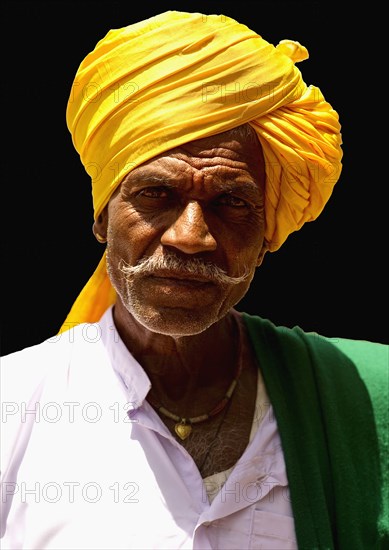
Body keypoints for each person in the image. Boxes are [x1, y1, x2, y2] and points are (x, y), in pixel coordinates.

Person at [0, 9, 387, 550]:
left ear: (267, 235)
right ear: (101, 216)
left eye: (231, 202)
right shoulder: (12, 406)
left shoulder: (369, 399)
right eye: (155, 194)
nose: (191, 236)